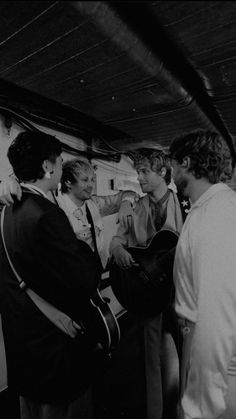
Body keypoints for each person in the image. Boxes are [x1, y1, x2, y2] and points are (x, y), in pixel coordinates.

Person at [0, 130, 107, 419]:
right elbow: (85, 279)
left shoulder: (7, 212)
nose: (61, 167)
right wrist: (83, 247)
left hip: (23, 347)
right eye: (59, 161)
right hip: (55, 352)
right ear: (47, 167)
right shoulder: (48, 213)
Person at [109, 148, 190, 419]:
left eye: (144, 172)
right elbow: (118, 239)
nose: (139, 178)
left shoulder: (186, 205)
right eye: (138, 172)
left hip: (181, 293)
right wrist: (117, 248)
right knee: (151, 359)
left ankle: (186, 411)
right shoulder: (135, 205)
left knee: (187, 354)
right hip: (149, 293)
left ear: (162, 172)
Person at [169, 130, 236, 419]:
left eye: (172, 164)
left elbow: (216, 315)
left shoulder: (215, 215)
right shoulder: (210, 207)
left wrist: (200, 405)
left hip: (216, 363)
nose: (171, 172)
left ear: (185, 162)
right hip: (204, 347)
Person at [0, 159, 138, 271]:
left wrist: (126, 203)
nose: (91, 185)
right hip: (70, 276)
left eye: (92, 180)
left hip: (97, 272)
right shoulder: (53, 207)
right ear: (68, 182)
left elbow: (130, 194)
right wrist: (9, 183)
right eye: (85, 180)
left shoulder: (95, 204)